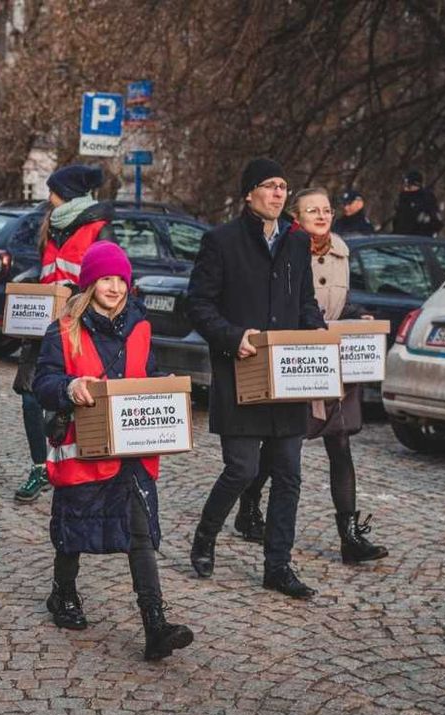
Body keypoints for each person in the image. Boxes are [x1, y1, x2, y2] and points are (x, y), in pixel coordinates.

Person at [33, 241, 194, 661]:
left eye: (120, 280)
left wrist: (164, 387)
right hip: (82, 452)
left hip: (132, 452)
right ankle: (63, 593)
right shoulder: (63, 329)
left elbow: (148, 373)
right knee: (73, 528)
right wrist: (69, 387)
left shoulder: (141, 327)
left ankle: (154, 623)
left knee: (139, 531)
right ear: (89, 284)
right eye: (105, 279)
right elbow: (43, 382)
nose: (114, 287)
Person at [186, 158, 327, 599]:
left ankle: (277, 566)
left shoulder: (297, 242)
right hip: (240, 370)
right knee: (242, 469)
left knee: (288, 474)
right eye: (269, 185)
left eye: (284, 185)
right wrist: (232, 337)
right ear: (249, 194)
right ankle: (206, 536)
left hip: (286, 377)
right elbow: (199, 305)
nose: (279, 193)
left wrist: (317, 333)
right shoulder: (221, 241)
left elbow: (304, 301)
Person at [235, 189, 388, 564]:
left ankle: (350, 537)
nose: (321, 215)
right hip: (298, 360)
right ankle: (249, 503)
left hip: (334, 361)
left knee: (340, 445)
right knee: (280, 450)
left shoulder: (341, 252)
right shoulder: (283, 249)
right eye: (311, 210)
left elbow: (337, 299)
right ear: (295, 216)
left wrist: (359, 314)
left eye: (326, 210)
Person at [14, 165, 114, 504]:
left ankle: (75, 466)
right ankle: (39, 466)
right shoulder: (51, 227)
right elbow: (47, 271)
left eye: (52, 191)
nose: (48, 198)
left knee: (68, 400)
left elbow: (107, 279)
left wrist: (72, 297)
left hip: (76, 326)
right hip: (41, 325)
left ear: (67, 194)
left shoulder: (98, 229)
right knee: (29, 396)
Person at [391, 170, 443, 237]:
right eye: (405, 185)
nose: (406, 188)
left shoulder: (426, 199)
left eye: (409, 186)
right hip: (401, 238)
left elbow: (436, 222)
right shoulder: (403, 198)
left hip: (419, 239)